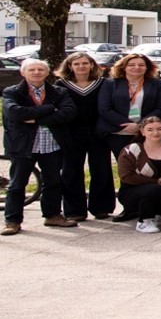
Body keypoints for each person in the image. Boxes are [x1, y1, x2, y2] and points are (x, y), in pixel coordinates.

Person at [0, 59, 78, 235]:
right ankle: (12, 221)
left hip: (51, 145)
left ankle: (52, 215)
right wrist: (50, 108)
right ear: (23, 73)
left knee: (53, 182)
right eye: (32, 70)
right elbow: (15, 113)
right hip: (23, 145)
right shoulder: (12, 92)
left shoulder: (59, 92)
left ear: (47, 72)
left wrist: (35, 119)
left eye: (41, 69)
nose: (36, 72)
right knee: (17, 184)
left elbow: (68, 113)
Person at [53, 51, 114, 221]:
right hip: (71, 133)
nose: (81, 66)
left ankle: (101, 207)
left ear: (92, 65)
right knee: (71, 171)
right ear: (70, 66)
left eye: (85, 63)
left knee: (101, 169)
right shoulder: (61, 84)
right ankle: (75, 210)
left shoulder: (103, 83)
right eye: (77, 64)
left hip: (98, 132)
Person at [116, 115, 161, 233]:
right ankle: (144, 221)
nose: (155, 133)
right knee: (155, 189)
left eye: (160, 129)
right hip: (134, 192)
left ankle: (160, 214)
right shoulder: (131, 150)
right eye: (150, 130)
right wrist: (159, 182)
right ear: (142, 131)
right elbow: (126, 176)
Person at [97, 53, 161, 157]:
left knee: (145, 162)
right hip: (118, 132)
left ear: (147, 67)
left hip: (145, 132)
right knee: (125, 162)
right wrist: (128, 124)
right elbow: (105, 109)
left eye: (141, 65)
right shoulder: (110, 83)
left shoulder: (157, 84)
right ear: (124, 67)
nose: (137, 67)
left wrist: (140, 125)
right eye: (131, 65)